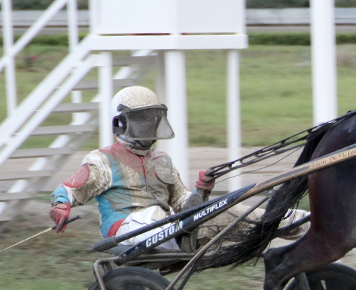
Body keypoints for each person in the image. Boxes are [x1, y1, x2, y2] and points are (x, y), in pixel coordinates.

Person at [49, 86, 307, 250]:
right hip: (124, 229)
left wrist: (203, 191)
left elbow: (185, 204)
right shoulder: (102, 159)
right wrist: (62, 205)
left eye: (151, 118)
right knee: (156, 216)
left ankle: (291, 220)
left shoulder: (163, 160)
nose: (148, 124)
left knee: (221, 208)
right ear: (121, 122)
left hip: (168, 226)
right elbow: (70, 188)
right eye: (140, 119)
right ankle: (185, 234)